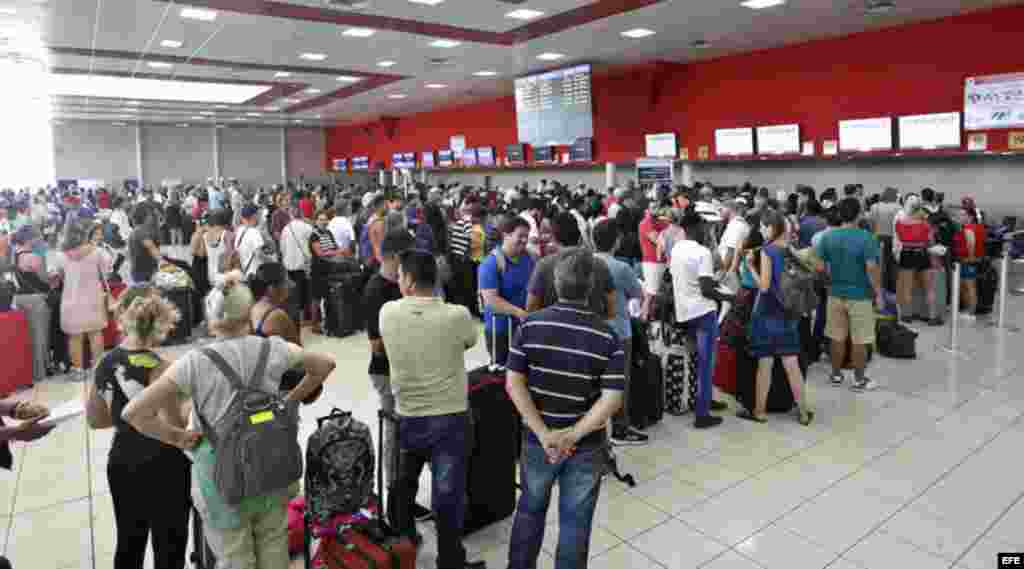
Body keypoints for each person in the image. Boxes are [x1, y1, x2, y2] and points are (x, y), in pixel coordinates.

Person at [122, 272, 335, 569]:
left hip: (221, 479)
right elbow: (325, 365)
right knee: (274, 546)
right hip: (271, 466)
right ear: (248, 313)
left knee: (235, 556)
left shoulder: (194, 363)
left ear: (211, 319)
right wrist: (290, 400)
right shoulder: (274, 348)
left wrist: (178, 438)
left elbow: (134, 413)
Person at [505, 249, 624, 569]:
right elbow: (612, 398)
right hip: (585, 445)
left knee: (530, 510)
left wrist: (545, 434)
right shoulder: (607, 336)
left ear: (556, 284)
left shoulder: (529, 326)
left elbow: (514, 384)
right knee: (575, 524)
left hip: (537, 440)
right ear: (591, 286)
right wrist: (573, 434)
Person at [379, 250, 484, 569]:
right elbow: (468, 342)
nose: (398, 281)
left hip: (407, 417)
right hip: (450, 419)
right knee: (447, 496)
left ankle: (404, 550)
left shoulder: (388, 313)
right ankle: (451, 560)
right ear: (436, 280)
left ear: (409, 281)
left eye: (400, 276)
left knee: (402, 489)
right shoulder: (457, 315)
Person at [85, 286, 191, 569]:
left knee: (129, 541)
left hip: (123, 461)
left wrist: (126, 416)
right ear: (162, 323)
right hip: (165, 463)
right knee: (169, 546)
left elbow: (96, 419)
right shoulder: (164, 369)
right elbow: (175, 424)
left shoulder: (104, 363)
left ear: (124, 315)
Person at [362, 229, 430, 519]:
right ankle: (394, 500)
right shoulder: (377, 290)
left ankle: (404, 496)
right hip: (388, 374)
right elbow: (377, 346)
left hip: (409, 369)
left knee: (410, 436)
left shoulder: (405, 286)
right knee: (395, 435)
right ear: (393, 258)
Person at [739, 210, 815, 425]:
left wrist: (750, 266)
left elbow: (763, 287)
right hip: (787, 313)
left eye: (763, 227)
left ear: (772, 228)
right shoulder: (789, 250)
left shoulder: (767, 251)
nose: (761, 231)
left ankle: (759, 412)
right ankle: (803, 411)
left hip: (766, 313)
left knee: (765, 364)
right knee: (791, 363)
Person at [670, 209, 733, 429]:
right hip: (703, 313)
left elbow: (689, 279)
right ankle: (702, 414)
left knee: (698, 360)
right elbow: (706, 289)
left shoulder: (676, 248)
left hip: (684, 312)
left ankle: (703, 400)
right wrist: (728, 296)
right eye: (704, 227)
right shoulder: (703, 252)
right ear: (694, 228)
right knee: (707, 364)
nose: (706, 230)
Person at [815, 198, 883, 391]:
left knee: (836, 336)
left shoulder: (828, 237)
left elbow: (819, 266)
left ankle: (836, 375)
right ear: (858, 214)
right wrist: (878, 293)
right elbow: (871, 268)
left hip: (835, 294)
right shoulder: (866, 238)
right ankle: (859, 380)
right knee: (859, 339)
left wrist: (829, 280)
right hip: (860, 295)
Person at [592, 220, 646, 445]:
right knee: (619, 380)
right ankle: (621, 428)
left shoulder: (586, 263)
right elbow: (637, 293)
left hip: (593, 329)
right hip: (619, 331)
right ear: (616, 241)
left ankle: (598, 426)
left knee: (596, 379)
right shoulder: (621, 268)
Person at [526, 212, 615, 318]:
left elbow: (531, 307)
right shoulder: (600, 264)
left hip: (552, 329)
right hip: (592, 329)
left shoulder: (544, 265)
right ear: (579, 236)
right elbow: (611, 309)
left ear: (554, 237)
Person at [58, 218, 114, 380]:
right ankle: (97, 368)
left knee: (74, 337)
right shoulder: (97, 252)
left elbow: (60, 276)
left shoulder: (62, 255)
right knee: (95, 333)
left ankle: (77, 370)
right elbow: (106, 271)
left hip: (70, 299)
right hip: (92, 298)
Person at [478, 216, 535, 367]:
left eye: (526, 237)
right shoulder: (490, 263)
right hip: (501, 331)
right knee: (502, 373)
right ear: (506, 235)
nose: (524, 240)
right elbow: (491, 300)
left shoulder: (529, 257)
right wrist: (518, 312)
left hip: (524, 328)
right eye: (520, 236)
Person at [11, 225, 51, 383]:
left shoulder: (13, 254)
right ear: (31, 239)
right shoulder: (34, 257)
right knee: (39, 337)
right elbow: (44, 281)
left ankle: (27, 372)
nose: (40, 241)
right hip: (36, 299)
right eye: (38, 238)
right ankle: (39, 373)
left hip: (19, 299)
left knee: (25, 338)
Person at [894, 196, 939, 325]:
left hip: (907, 254)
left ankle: (907, 315)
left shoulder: (900, 224)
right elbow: (931, 242)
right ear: (919, 210)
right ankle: (931, 316)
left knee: (907, 287)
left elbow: (900, 239)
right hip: (922, 254)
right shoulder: (926, 225)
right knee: (929, 288)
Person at [953, 198, 986, 320]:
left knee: (969, 286)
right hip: (973, 260)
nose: (960, 217)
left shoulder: (968, 228)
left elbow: (971, 243)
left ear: (970, 216)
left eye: (962, 215)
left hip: (968, 260)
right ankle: (968, 310)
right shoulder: (979, 226)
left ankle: (971, 312)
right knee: (968, 286)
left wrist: (970, 258)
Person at [280, 214, 314, 326]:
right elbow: (315, 240)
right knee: (306, 292)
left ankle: (296, 319)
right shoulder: (306, 227)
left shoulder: (285, 229)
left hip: (289, 265)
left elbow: (282, 248)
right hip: (303, 265)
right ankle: (307, 318)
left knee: (294, 295)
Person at [869, 187, 902, 291]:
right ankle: (891, 288)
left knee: (878, 264)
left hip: (877, 237)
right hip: (893, 238)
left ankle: (878, 287)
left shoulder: (874, 207)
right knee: (892, 264)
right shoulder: (898, 207)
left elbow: (871, 223)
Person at [128, 206, 161, 285]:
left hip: (141, 270)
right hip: (143, 273)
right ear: (145, 217)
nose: (151, 217)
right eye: (149, 215)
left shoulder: (138, 230)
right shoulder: (141, 232)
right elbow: (152, 248)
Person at [234, 204, 268, 278]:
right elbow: (259, 254)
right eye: (259, 215)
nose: (260, 217)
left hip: (243, 272)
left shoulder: (239, 230)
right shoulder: (254, 232)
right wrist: (271, 261)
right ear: (254, 216)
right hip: (254, 273)